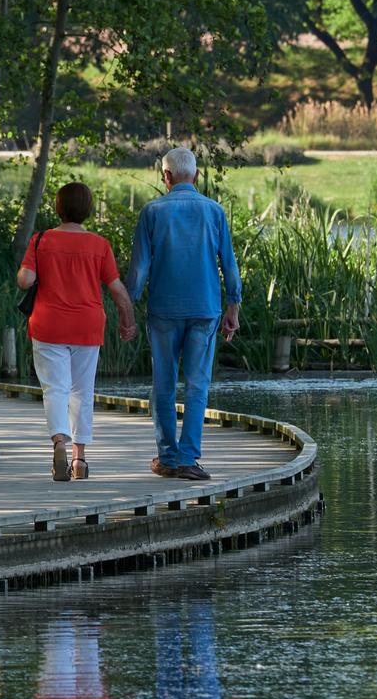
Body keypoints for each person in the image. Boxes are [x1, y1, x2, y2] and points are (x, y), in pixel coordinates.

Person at [125, 146, 242, 481]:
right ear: (197, 175)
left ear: (166, 177)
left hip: (163, 310)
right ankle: (189, 457)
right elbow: (229, 268)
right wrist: (233, 307)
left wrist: (127, 307)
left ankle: (167, 457)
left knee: (163, 385)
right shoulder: (215, 211)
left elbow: (139, 270)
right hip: (205, 308)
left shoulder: (152, 212)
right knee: (197, 384)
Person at [17, 181, 138, 482]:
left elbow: (24, 281)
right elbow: (118, 290)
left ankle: (59, 441)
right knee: (81, 392)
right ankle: (80, 460)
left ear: (58, 208)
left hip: (48, 325)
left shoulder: (40, 240)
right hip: (86, 326)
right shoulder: (99, 245)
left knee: (55, 389)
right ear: (87, 210)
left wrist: (27, 271)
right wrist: (128, 321)